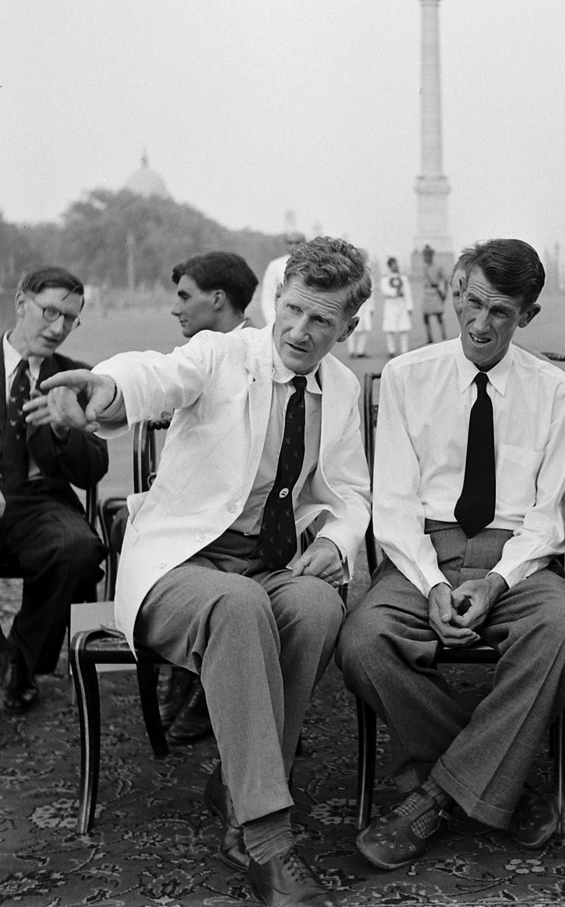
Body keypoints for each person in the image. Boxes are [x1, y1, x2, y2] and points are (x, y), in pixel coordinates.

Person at [37, 237, 372, 907]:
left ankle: (240, 782)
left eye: (322, 322)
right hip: (178, 565)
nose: (301, 332)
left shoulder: (342, 387)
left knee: (316, 604)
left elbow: (349, 493)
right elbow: (157, 375)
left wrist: (335, 543)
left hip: (263, 561)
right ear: (278, 301)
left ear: (350, 328)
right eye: (295, 310)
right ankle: (269, 842)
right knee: (238, 605)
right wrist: (105, 391)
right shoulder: (223, 353)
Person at [338, 238, 565, 871]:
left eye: (501, 312)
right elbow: (393, 502)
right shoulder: (407, 375)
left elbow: (548, 516)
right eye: (472, 303)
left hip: (519, 557)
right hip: (425, 547)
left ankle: (433, 796)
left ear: (527, 316)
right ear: (455, 292)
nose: (481, 325)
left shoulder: (556, 391)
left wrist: (499, 582)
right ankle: (500, 780)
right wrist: (429, 585)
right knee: (363, 642)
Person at [159, 251, 260, 745]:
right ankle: (190, 675)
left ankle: (197, 679)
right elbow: (160, 378)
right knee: (134, 527)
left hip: (238, 525)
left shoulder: (249, 353)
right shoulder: (208, 352)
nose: (175, 308)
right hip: (206, 521)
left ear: (217, 298)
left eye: (184, 296)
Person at [0, 267, 109, 715]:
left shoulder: (77, 377)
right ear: (21, 304)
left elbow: (93, 470)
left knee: (79, 549)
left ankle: (23, 659)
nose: (58, 327)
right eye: (50, 312)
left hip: (40, 500)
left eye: (70, 318)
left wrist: (67, 428)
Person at [171, 252, 259, 338]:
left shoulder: (261, 350)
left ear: (217, 299)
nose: (175, 310)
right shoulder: (207, 348)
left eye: (185, 298)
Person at [259, 232, 305, 326]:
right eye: (290, 243)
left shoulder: (312, 264)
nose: (293, 246)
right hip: (281, 317)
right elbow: (268, 295)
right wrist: (272, 320)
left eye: (297, 243)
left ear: (304, 243)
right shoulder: (275, 265)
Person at [379, 257, 413, 357]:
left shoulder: (403, 279)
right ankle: (391, 350)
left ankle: (404, 350)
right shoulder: (385, 279)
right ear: (389, 266)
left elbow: (408, 293)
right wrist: (395, 292)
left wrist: (409, 306)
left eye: (396, 264)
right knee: (390, 328)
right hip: (390, 304)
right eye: (393, 264)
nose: (395, 266)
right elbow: (385, 291)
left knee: (404, 327)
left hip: (401, 304)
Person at [419, 244, 449, 344]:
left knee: (439, 316)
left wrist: (445, 293)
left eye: (427, 255)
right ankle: (429, 337)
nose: (425, 257)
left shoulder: (438, 267)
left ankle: (443, 336)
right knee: (425, 317)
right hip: (427, 293)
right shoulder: (424, 268)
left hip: (435, 293)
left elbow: (445, 280)